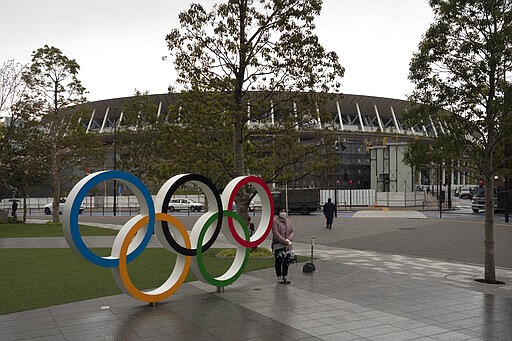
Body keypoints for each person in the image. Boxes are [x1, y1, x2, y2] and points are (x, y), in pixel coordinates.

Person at [272, 208, 295, 284]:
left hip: (287, 244)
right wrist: (283, 241)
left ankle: (285, 275)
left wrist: (289, 240)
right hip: (278, 244)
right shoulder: (275, 222)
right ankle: (279, 276)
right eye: (281, 211)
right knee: (279, 261)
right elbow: (276, 233)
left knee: (286, 260)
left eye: (284, 211)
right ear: (278, 212)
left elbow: (292, 231)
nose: (283, 213)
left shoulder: (288, 222)